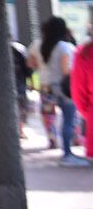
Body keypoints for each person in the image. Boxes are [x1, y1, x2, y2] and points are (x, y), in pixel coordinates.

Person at [29, 16, 87, 166]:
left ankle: (52, 139)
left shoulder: (37, 44)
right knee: (68, 119)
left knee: (49, 116)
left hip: (45, 86)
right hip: (63, 88)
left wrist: (43, 69)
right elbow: (66, 70)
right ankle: (67, 152)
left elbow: (31, 64)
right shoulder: (64, 46)